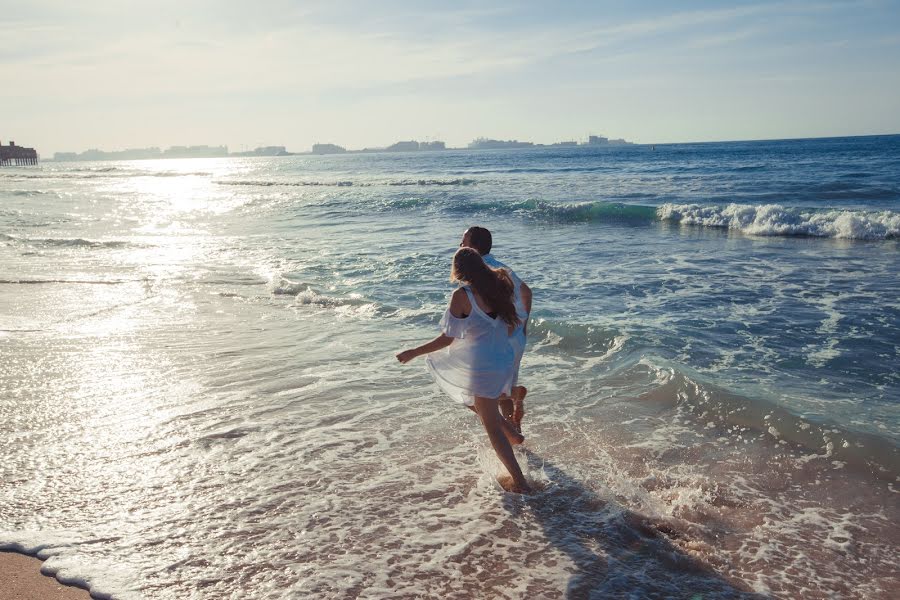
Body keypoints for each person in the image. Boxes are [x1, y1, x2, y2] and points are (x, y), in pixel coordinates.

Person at [396, 247, 532, 494]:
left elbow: (447, 340)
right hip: (503, 358)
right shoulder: (501, 282)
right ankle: (513, 430)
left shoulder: (463, 295)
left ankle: (520, 481)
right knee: (480, 405)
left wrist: (413, 352)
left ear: (458, 270)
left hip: (481, 365)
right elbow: (523, 300)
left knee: (489, 424)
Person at [460, 227, 532, 431]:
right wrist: (523, 326)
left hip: (497, 341)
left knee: (465, 392)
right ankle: (514, 432)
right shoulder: (502, 268)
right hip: (515, 338)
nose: (460, 246)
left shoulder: (478, 272)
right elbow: (527, 292)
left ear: (473, 247)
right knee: (500, 387)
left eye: (463, 242)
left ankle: (507, 427)